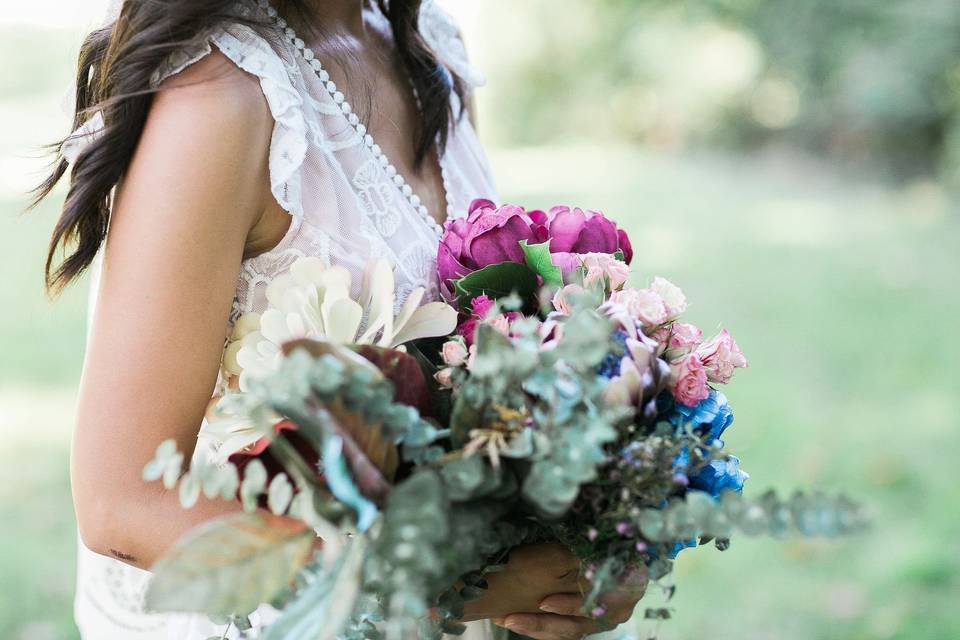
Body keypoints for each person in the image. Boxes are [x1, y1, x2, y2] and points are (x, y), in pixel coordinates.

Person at [35, 1, 646, 638]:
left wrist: (590, 549)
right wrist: (461, 583)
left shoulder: (425, 42)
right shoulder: (220, 97)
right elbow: (123, 506)